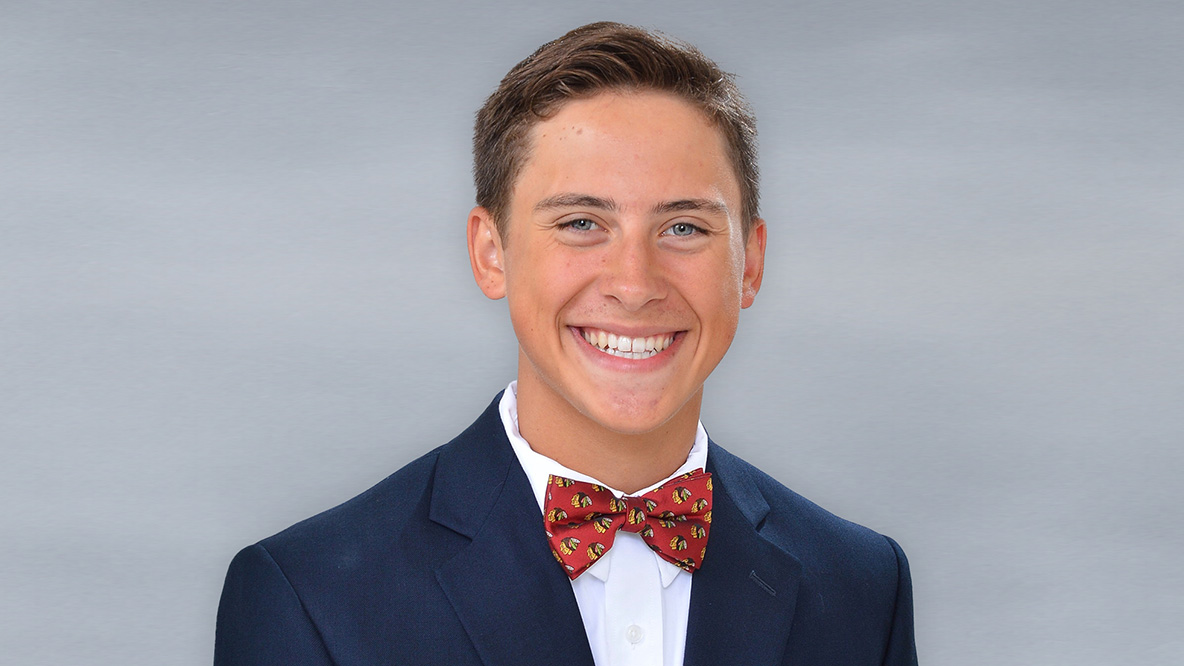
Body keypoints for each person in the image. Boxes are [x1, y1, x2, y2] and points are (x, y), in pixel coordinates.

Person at [215, 21, 917, 666]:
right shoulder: (310, 597)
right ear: (492, 253)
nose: (635, 284)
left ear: (751, 265)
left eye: (684, 228)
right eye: (582, 223)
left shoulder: (862, 586)